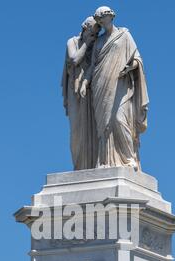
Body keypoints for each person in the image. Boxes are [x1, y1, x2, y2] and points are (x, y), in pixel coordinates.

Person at [80, 6, 149, 170]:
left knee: (119, 119)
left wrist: (129, 67)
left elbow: (137, 59)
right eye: (98, 19)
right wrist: (85, 82)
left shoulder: (124, 35)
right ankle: (105, 161)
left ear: (111, 16)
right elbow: (93, 66)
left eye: (103, 17)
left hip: (120, 83)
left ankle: (128, 158)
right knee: (103, 124)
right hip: (100, 84)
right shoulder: (99, 41)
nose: (101, 21)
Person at [62, 17, 100, 170]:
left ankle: (92, 166)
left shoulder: (96, 44)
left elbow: (95, 64)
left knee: (94, 128)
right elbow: (74, 59)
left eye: (96, 34)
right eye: (92, 32)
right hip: (74, 90)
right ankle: (79, 167)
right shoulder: (72, 41)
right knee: (77, 130)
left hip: (90, 89)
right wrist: (87, 43)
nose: (95, 36)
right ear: (85, 28)